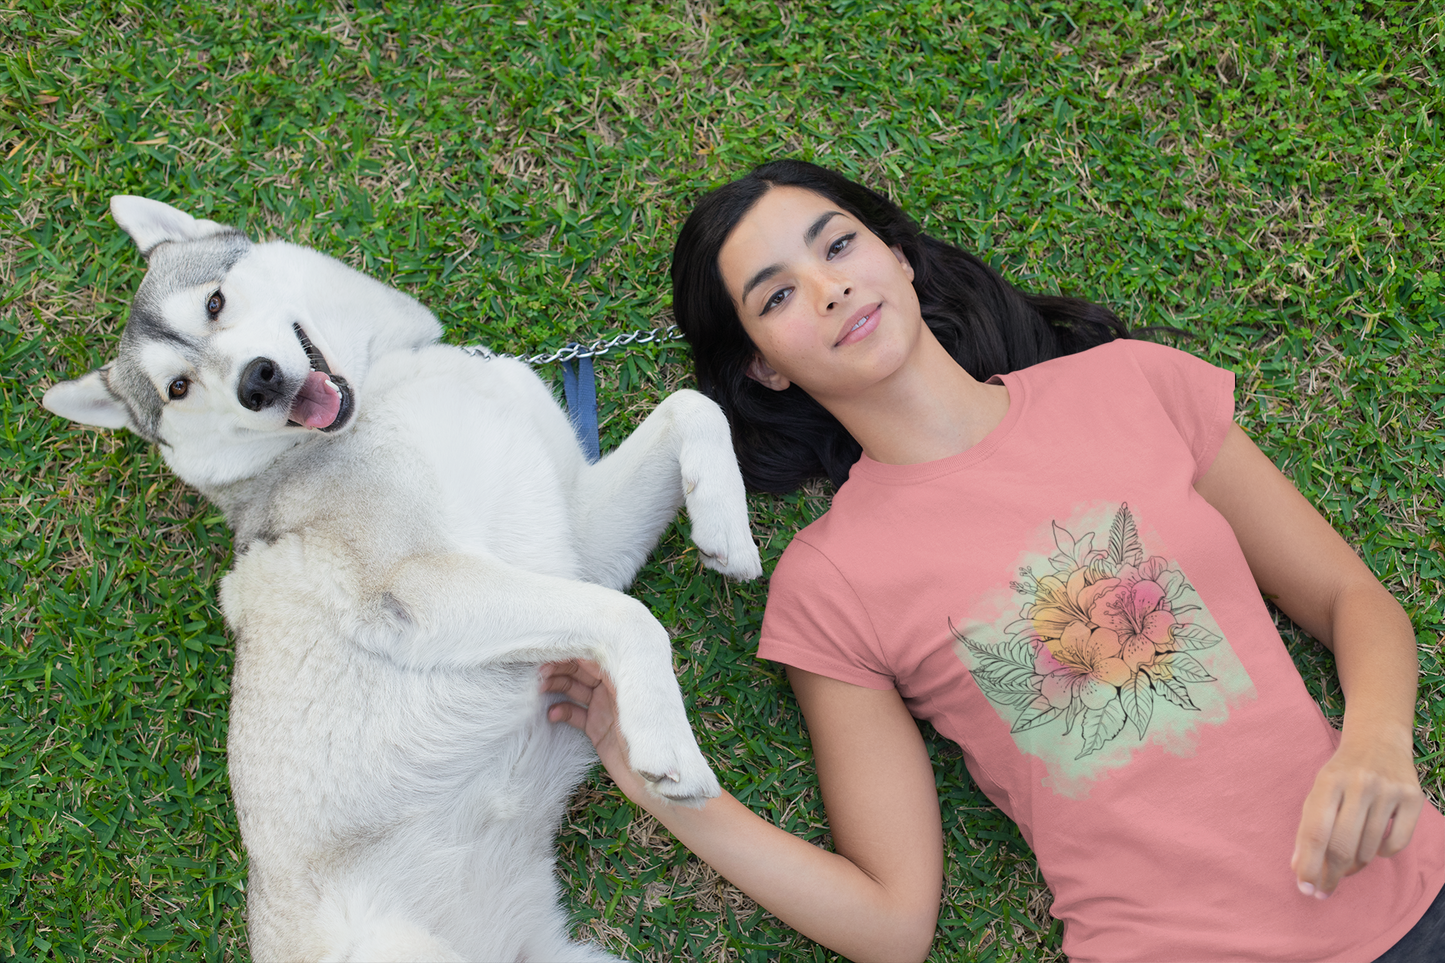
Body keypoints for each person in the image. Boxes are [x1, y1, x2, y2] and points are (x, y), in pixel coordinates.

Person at [541, 160, 1445, 962]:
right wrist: (654, 775)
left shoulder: (1132, 383)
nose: (825, 289)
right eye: (775, 297)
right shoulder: (828, 583)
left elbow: (1345, 594)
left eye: (839, 246)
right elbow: (892, 925)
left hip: (1418, 889)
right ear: (763, 369)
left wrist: (1374, 741)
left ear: (897, 255)